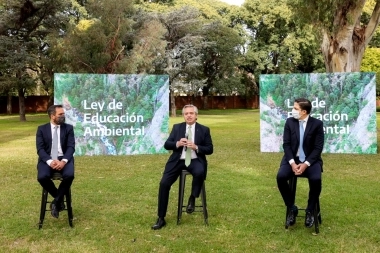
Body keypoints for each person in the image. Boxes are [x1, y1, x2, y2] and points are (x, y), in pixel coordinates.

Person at [151, 104, 213, 230]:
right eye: (186, 113)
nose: (189, 115)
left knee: (200, 172)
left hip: (195, 160)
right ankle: (161, 218)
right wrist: (177, 143)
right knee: (164, 184)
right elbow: (167, 144)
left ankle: (192, 198)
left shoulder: (204, 130)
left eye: (191, 113)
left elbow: (210, 149)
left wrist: (196, 147)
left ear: (196, 115)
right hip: (177, 161)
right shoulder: (177, 127)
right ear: (183, 116)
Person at [276, 98, 324, 228]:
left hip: (311, 161)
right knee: (280, 177)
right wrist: (292, 163)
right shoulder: (289, 122)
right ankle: (292, 208)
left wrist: (305, 164)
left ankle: (310, 210)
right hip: (292, 159)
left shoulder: (317, 124)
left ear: (304, 111)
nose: (293, 110)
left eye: (295, 108)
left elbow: (318, 148)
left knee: (316, 179)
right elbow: (286, 145)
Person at [36, 104, 75, 219]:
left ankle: (55, 202)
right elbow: (40, 149)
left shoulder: (68, 128)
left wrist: (63, 161)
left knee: (69, 175)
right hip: (47, 159)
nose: (63, 116)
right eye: (60, 114)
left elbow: (71, 147)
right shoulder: (42, 129)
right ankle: (60, 201)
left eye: (63, 114)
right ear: (52, 116)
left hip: (64, 158)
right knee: (42, 177)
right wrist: (49, 161)